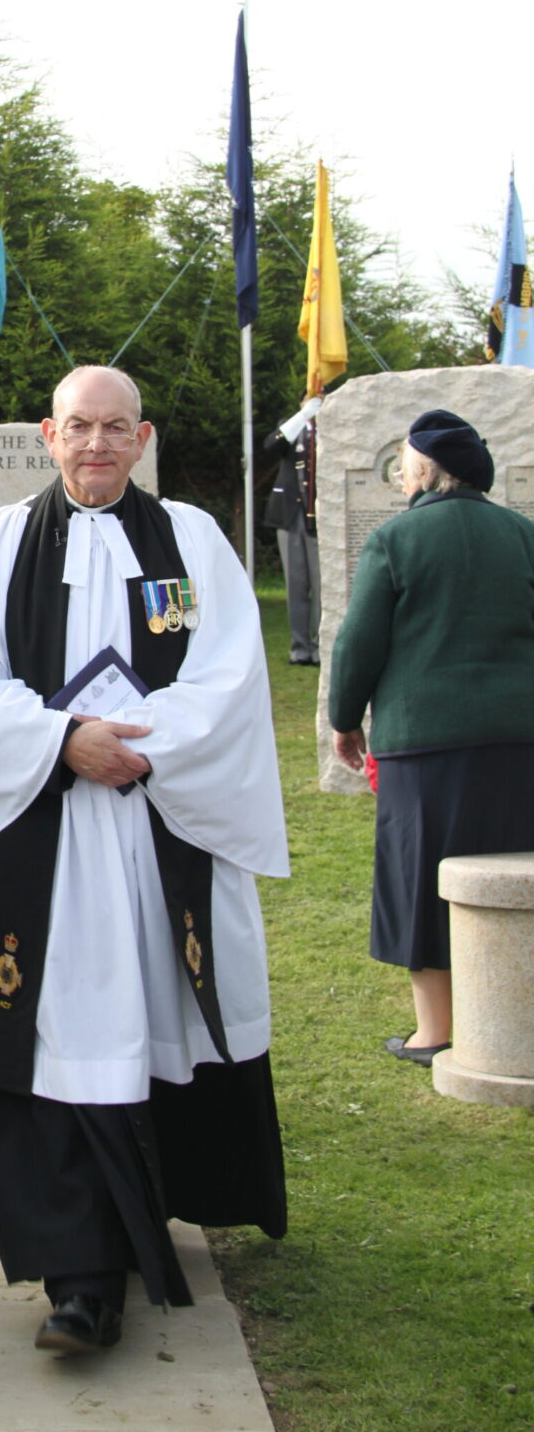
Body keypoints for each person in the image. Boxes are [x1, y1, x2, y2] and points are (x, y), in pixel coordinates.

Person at [0, 365, 289, 1358]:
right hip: (48, 826)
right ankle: (80, 1272)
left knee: (155, 1011)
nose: (97, 443)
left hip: (156, 816)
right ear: (47, 432)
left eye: (116, 427)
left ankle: (150, 1203)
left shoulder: (192, 540)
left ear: (143, 435)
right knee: (56, 1024)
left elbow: (230, 668)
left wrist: (140, 744)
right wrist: (62, 741)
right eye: (79, 425)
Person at [328, 408, 534, 1067]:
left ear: (425, 469)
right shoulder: (524, 535)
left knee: (422, 884)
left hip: (424, 740)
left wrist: (343, 718)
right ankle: (515, 1021)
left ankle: (435, 1031)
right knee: (514, 873)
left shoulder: (396, 539)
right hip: (519, 739)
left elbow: (361, 640)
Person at [263, 393, 322, 665]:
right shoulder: (293, 425)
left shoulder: (331, 428)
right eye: (311, 398)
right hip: (290, 514)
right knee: (296, 585)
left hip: (320, 515)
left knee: (322, 586)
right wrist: (304, 416)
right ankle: (300, 647)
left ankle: (322, 645)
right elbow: (271, 446)